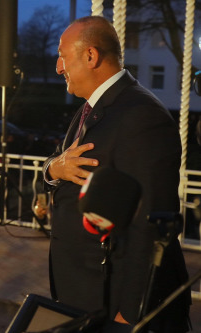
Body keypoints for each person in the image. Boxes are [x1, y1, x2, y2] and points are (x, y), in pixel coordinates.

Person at [43, 16, 190, 331]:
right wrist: (54, 168)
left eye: (63, 56)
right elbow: (58, 160)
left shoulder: (142, 117)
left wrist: (129, 314)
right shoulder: (91, 108)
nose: (58, 67)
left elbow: (151, 222)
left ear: (91, 56)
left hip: (116, 305)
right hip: (86, 291)